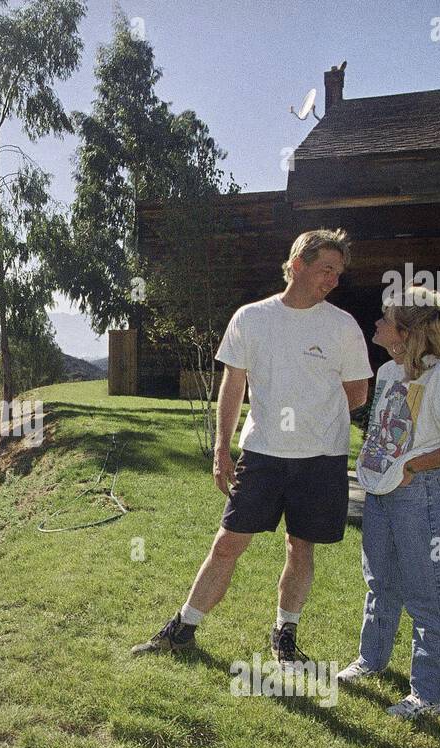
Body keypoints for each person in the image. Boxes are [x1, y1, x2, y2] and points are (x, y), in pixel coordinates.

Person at [132, 229, 372, 664]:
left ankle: (285, 634)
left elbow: (358, 393)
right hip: (262, 455)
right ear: (297, 265)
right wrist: (222, 448)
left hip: (321, 459)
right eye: (325, 270)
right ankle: (183, 628)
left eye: (338, 273)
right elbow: (232, 386)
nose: (333, 280)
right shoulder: (251, 319)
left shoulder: (342, 327)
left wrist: (317, 416)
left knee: (301, 547)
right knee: (227, 543)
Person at [335, 285, 440, 719]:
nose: (377, 323)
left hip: (418, 498)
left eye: (386, 318)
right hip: (381, 496)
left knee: (429, 595)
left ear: (406, 330)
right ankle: (372, 659)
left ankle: (432, 692)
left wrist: (413, 466)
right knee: (380, 583)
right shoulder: (388, 373)